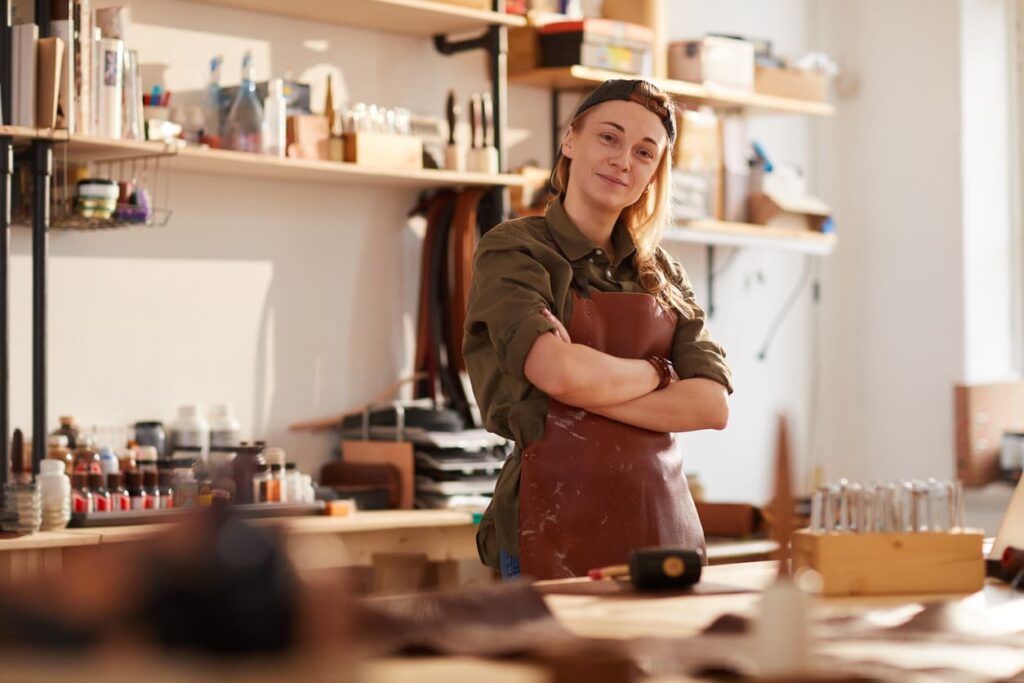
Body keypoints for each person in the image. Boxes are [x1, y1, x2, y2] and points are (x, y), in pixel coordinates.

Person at [463, 79, 733, 581]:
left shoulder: (664, 274)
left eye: (644, 152)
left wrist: (582, 389)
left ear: (654, 173)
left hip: (662, 523)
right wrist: (660, 371)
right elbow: (557, 370)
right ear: (571, 141)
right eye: (609, 138)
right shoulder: (516, 250)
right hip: (550, 523)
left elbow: (711, 405)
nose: (623, 160)